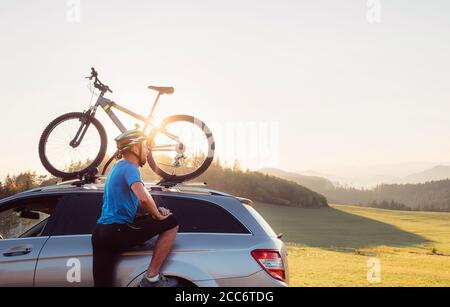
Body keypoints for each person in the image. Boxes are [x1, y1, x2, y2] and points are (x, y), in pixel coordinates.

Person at [91, 130, 179, 287]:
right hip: (116, 231)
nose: (148, 150)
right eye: (145, 146)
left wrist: (155, 211)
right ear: (135, 149)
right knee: (171, 222)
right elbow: (143, 198)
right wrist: (158, 217)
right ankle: (152, 277)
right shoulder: (130, 168)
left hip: (99, 233)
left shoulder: (116, 168)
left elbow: (123, 205)